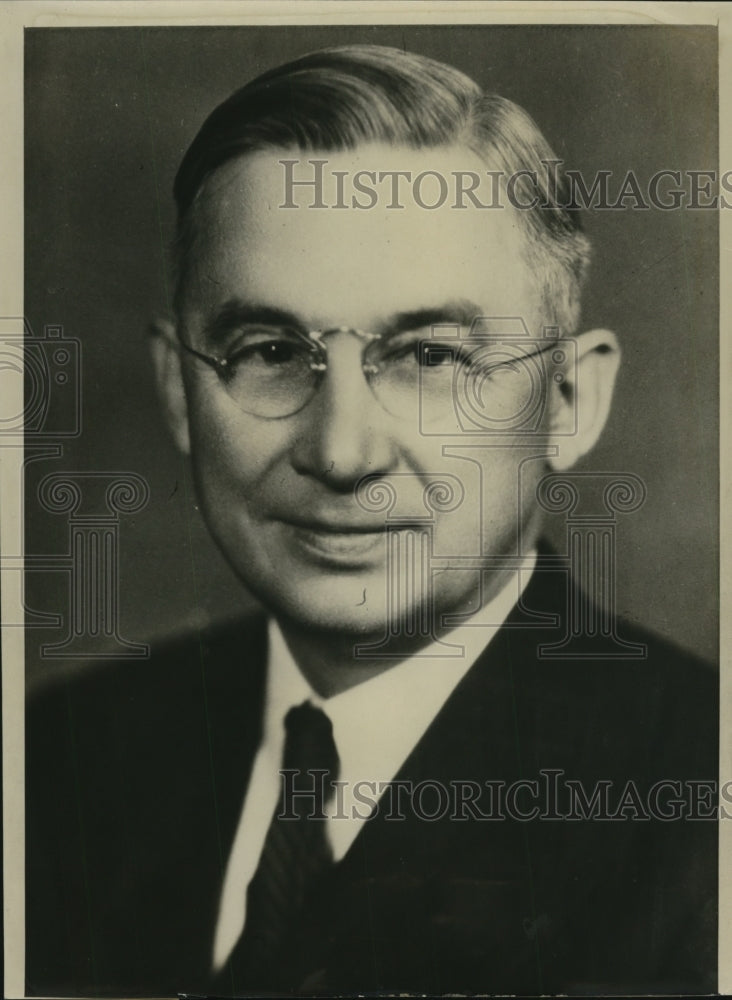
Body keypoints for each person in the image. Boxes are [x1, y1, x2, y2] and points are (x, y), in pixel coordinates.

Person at [26, 45, 717, 997]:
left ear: (567, 402)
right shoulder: (57, 760)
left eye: (430, 357)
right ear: (179, 392)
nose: (341, 452)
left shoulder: (696, 814)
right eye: (269, 350)